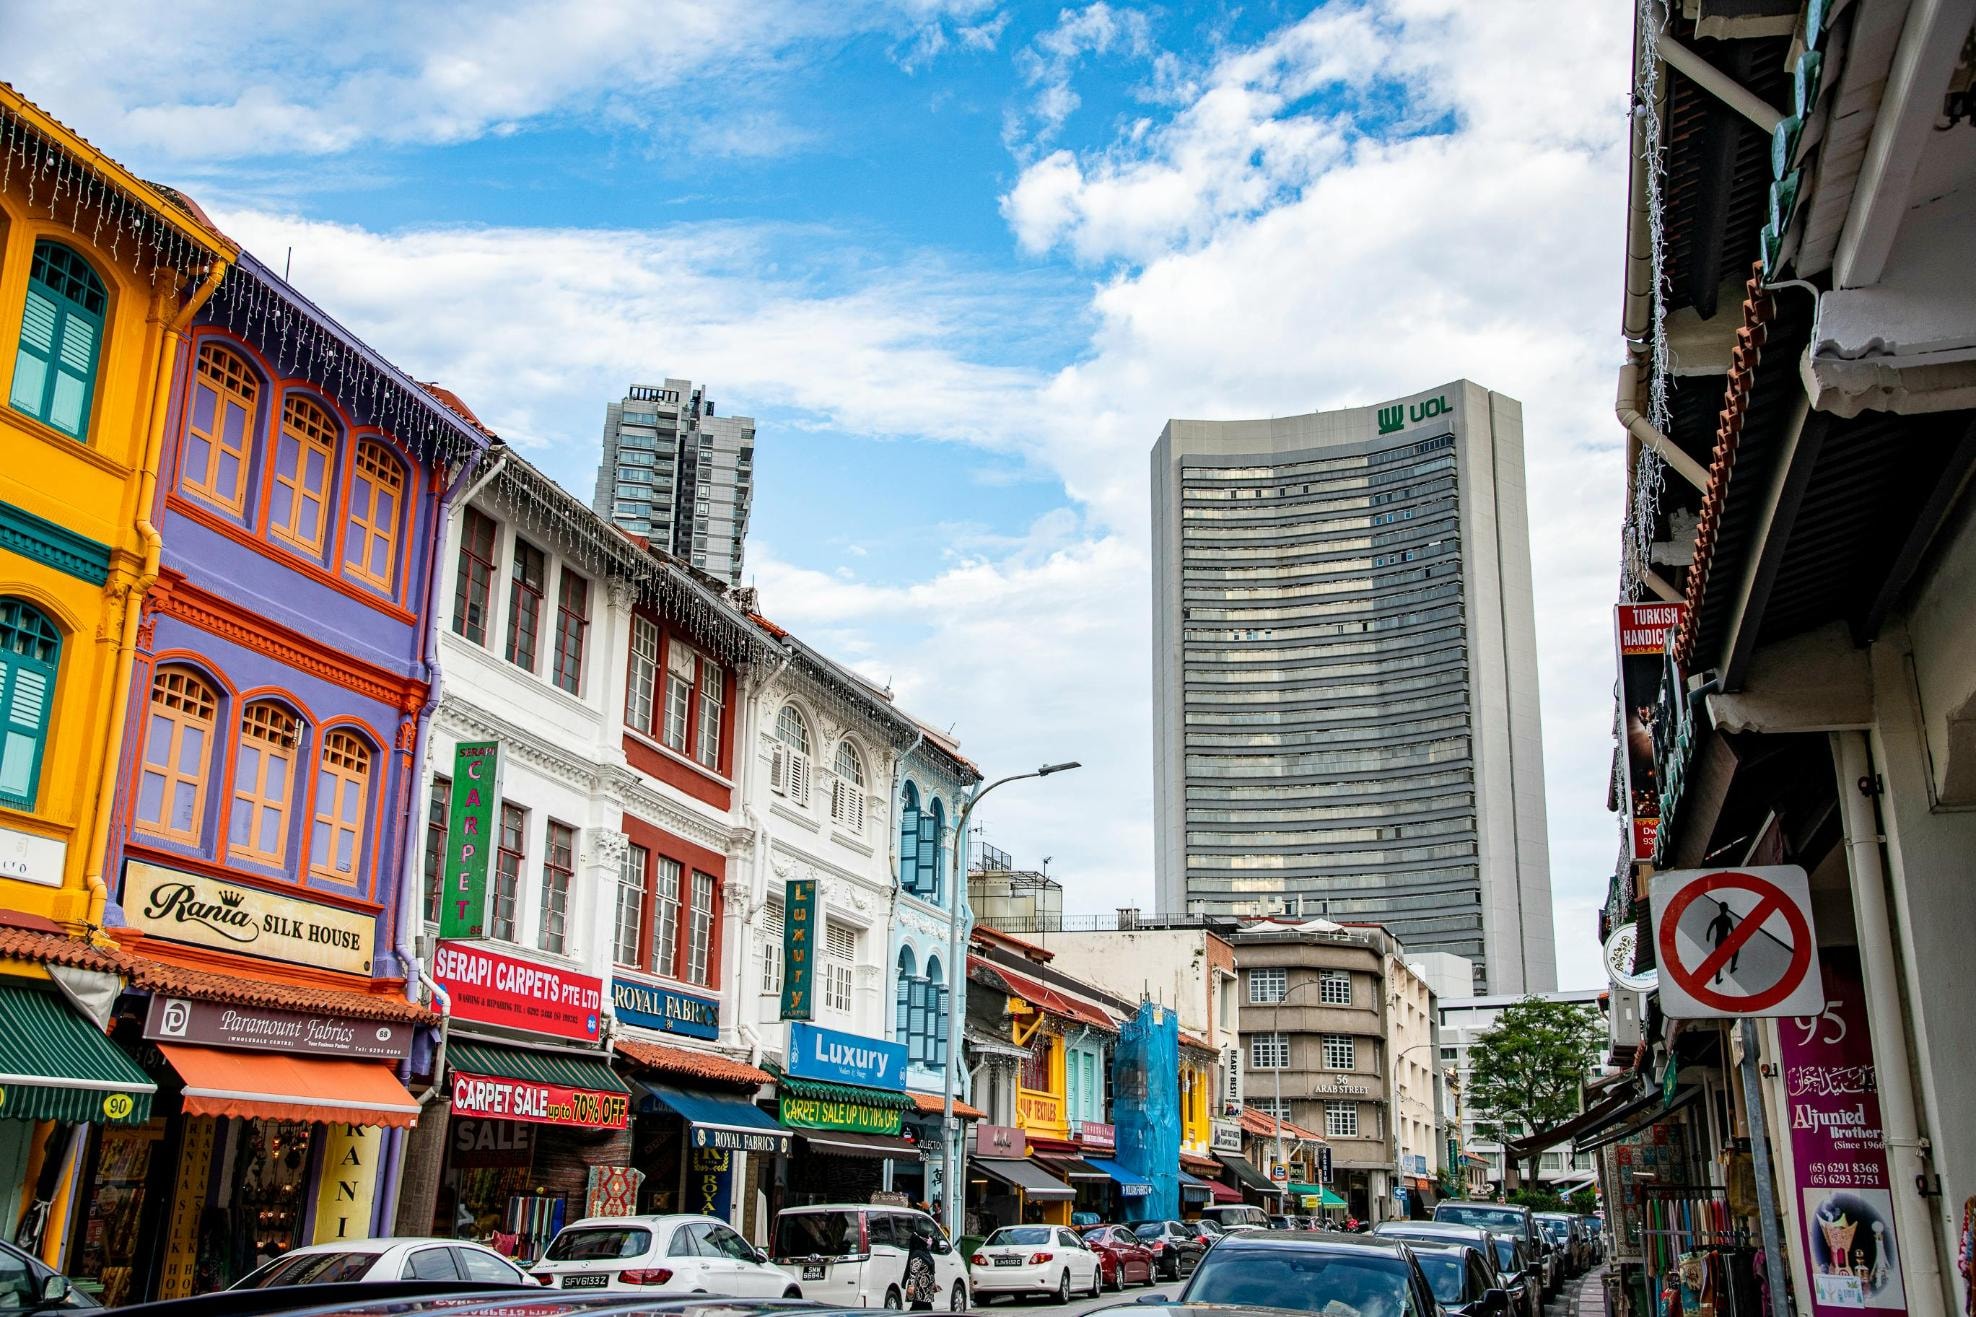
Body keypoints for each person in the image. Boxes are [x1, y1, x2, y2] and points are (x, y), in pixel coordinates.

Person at [904, 1218, 940, 1310]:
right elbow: (913, 1272)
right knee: (921, 1309)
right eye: (927, 1238)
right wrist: (911, 1286)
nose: (929, 1240)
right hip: (920, 1291)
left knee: (922, 1309)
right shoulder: (917, 1255)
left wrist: (934, 1284)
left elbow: (931, 1270)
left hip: (927, 1291)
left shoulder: (926, 1254)